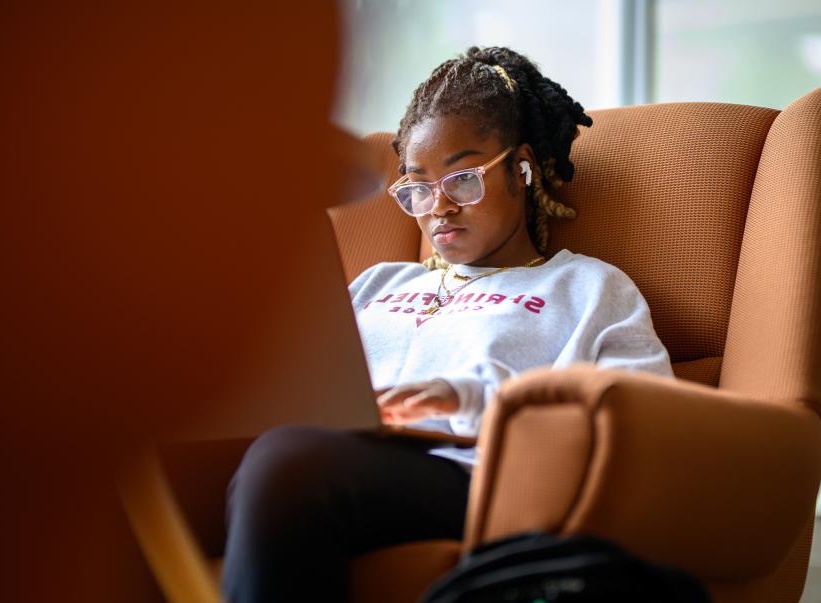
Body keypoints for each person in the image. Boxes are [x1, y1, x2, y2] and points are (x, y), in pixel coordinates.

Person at [221, 46, 673, 603]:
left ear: (521, 166)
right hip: (332, 457)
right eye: (416, 187)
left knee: (287, 466)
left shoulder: (587, 288)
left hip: (477, 478)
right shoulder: (379, 284)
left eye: (462, 179)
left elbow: (648, 424)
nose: (439, 207)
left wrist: (463, 398)